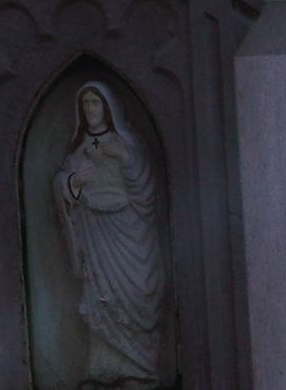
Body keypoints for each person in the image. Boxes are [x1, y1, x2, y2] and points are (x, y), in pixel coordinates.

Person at [55, 82, 163, 387]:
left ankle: (140, 368)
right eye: (86, 103)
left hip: (128, 230)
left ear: (107, 107)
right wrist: (74, 182)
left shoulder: (125, 144)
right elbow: (62, 183)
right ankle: (104, 368)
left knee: (135, 292)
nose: (90, 109)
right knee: (101, 298)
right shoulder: (78, 149)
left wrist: (123, 158)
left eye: (95, 103)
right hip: (95, 233)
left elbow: (147, 188)